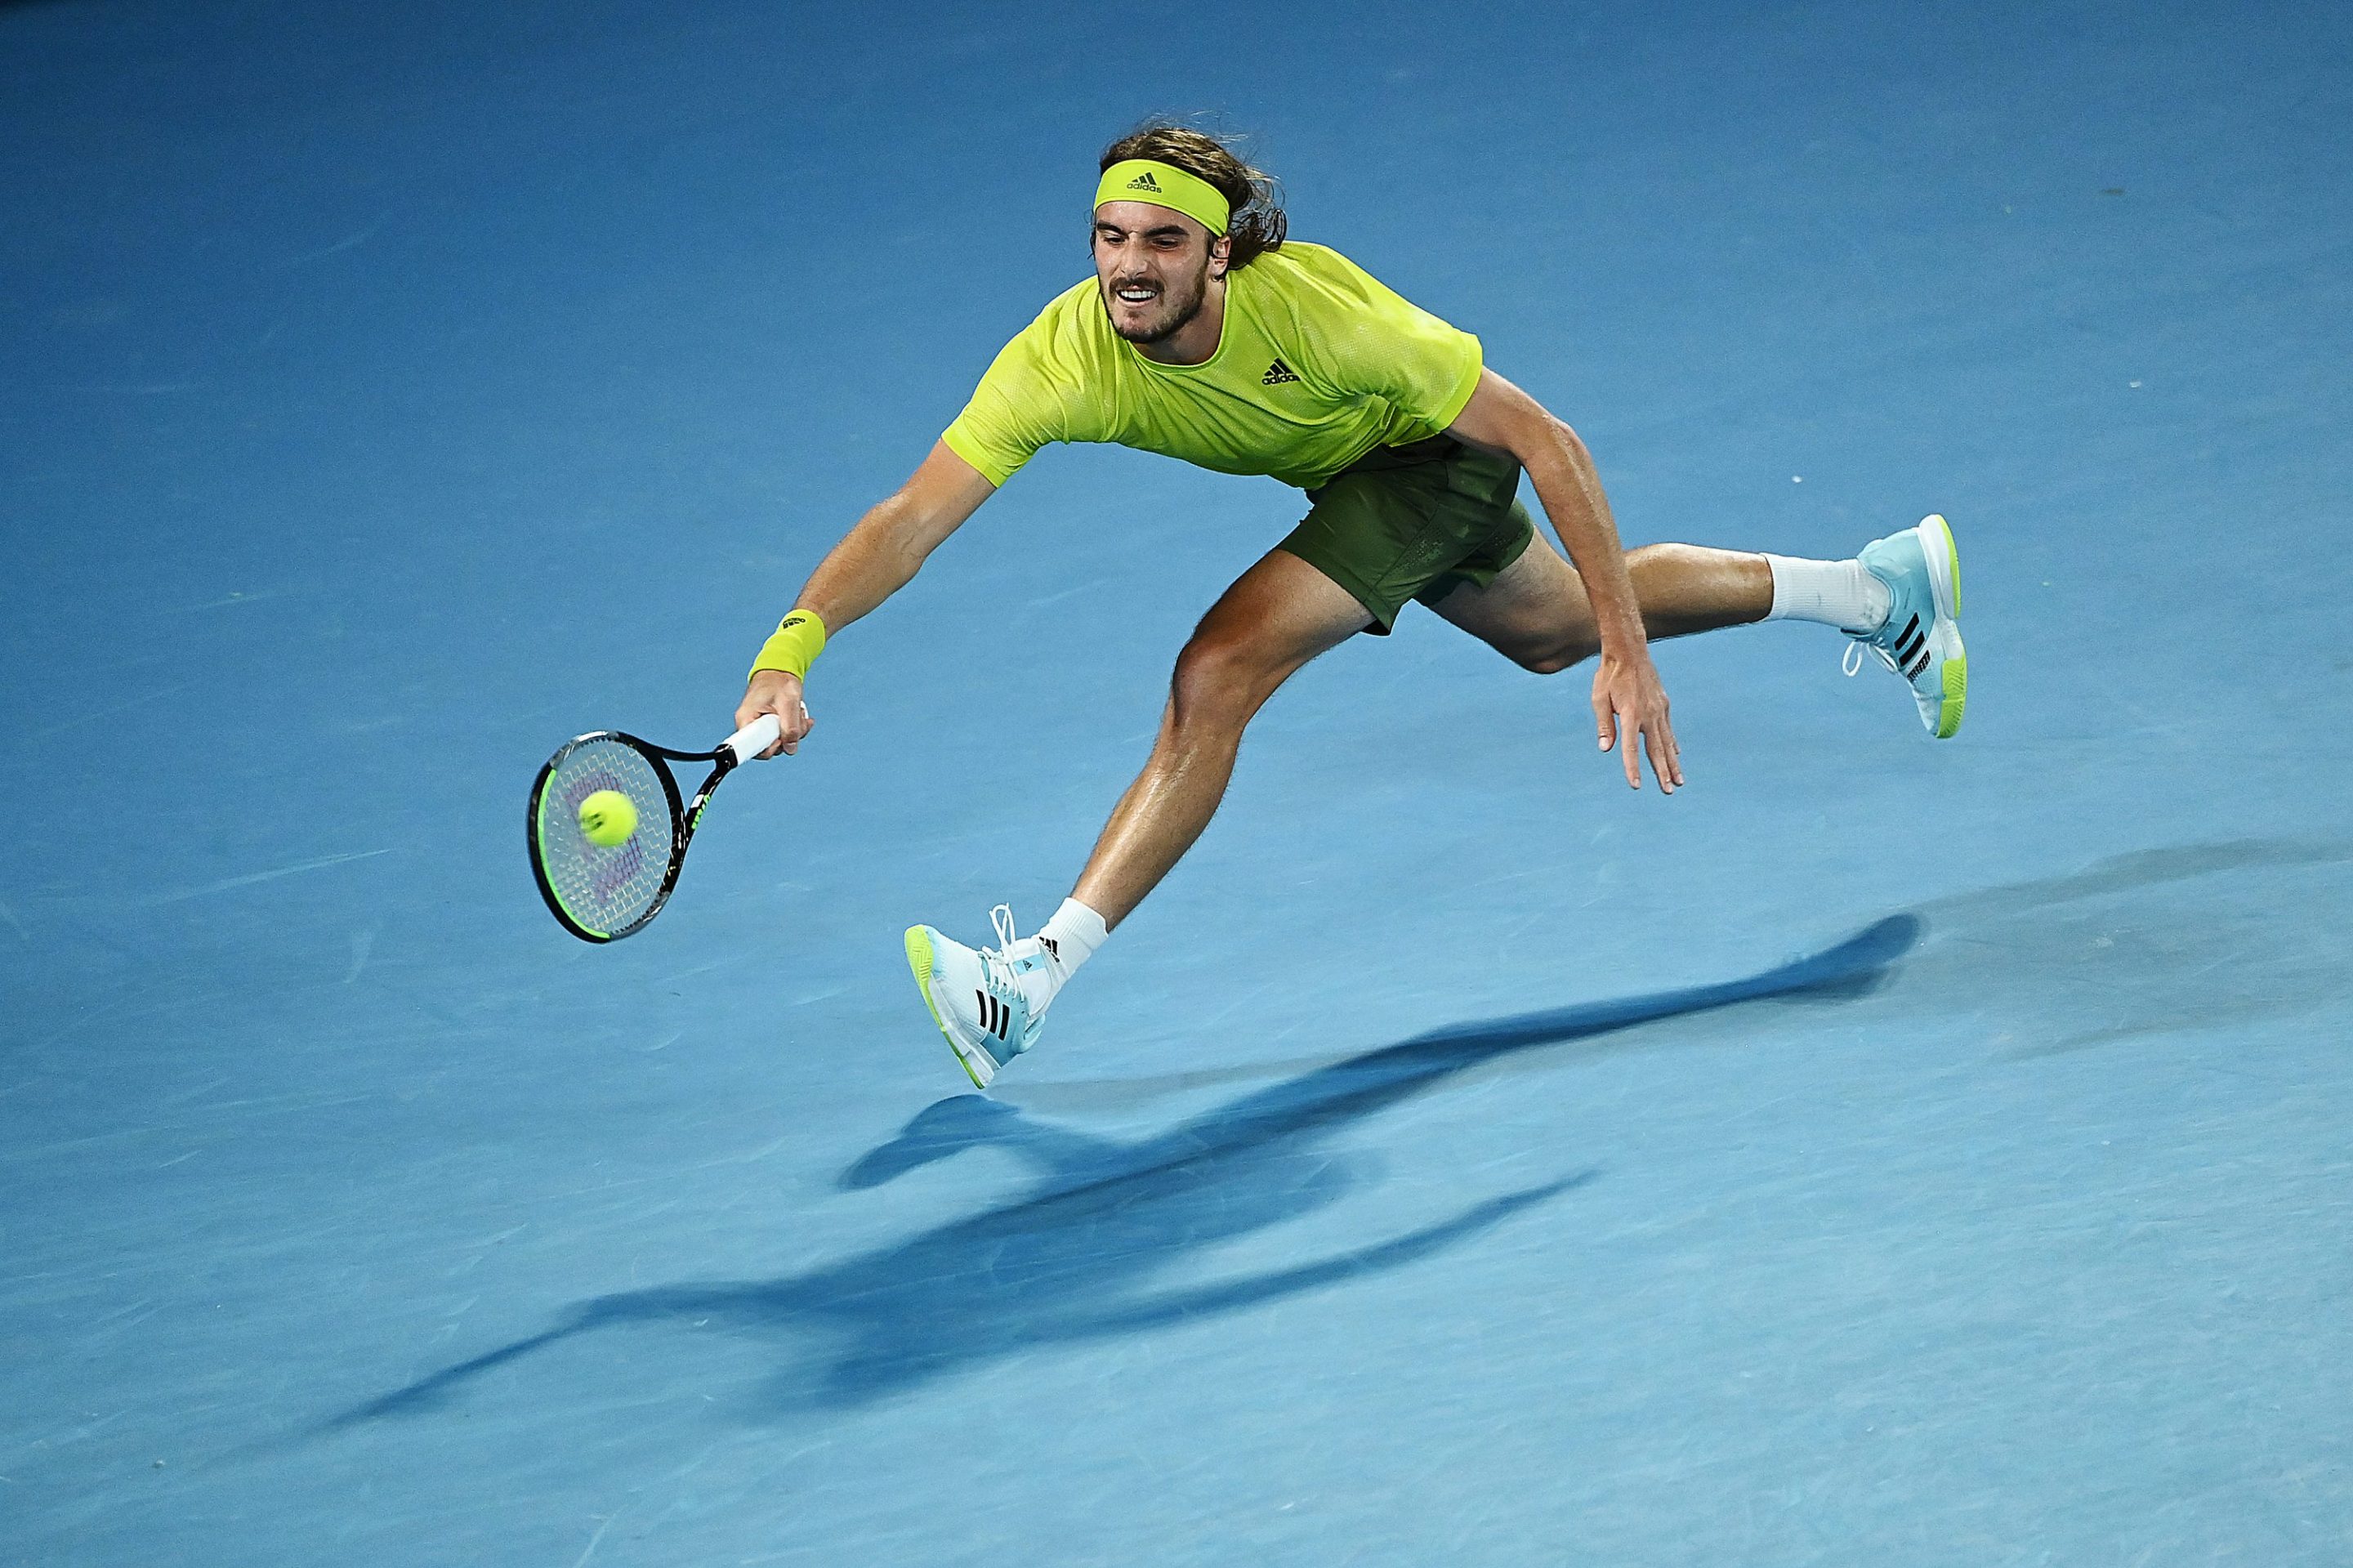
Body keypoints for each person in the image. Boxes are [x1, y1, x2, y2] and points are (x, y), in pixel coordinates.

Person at [734, 124, 1965, 1089]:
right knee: (1548, 633)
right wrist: (794, 649)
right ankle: (1874, 588)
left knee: (1216, 672)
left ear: (1219, 254)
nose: (1127, 265)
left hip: (1431, 463)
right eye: (1109, 236)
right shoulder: (1067, 353)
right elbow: (910, 516)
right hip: (1359, 478)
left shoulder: (1320, 316)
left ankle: (1028, 985)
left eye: (1163, 241)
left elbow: (1546, 436)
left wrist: (1637, 659)